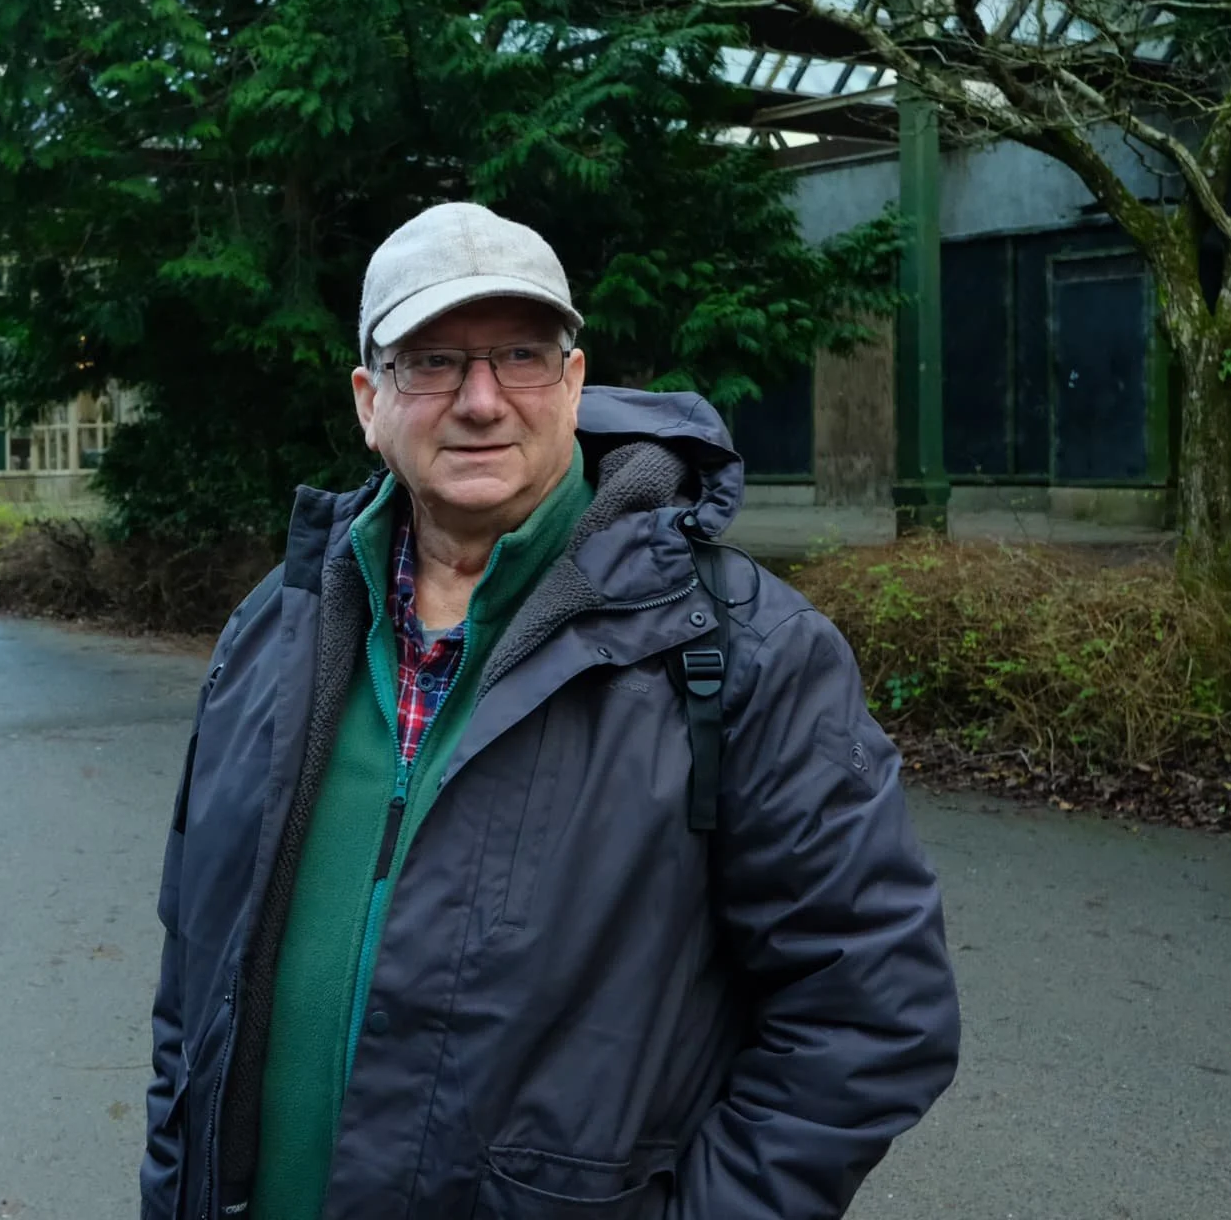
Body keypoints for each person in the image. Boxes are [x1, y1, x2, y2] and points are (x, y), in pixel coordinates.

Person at [142, 202, 960, 1220]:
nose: (481, 399)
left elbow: (872, 1010)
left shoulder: (743, 651)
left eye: (521, 354)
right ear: (368, 399)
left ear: (573, 382)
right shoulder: (275, 633)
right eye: (432, 360)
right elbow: (193, 980)